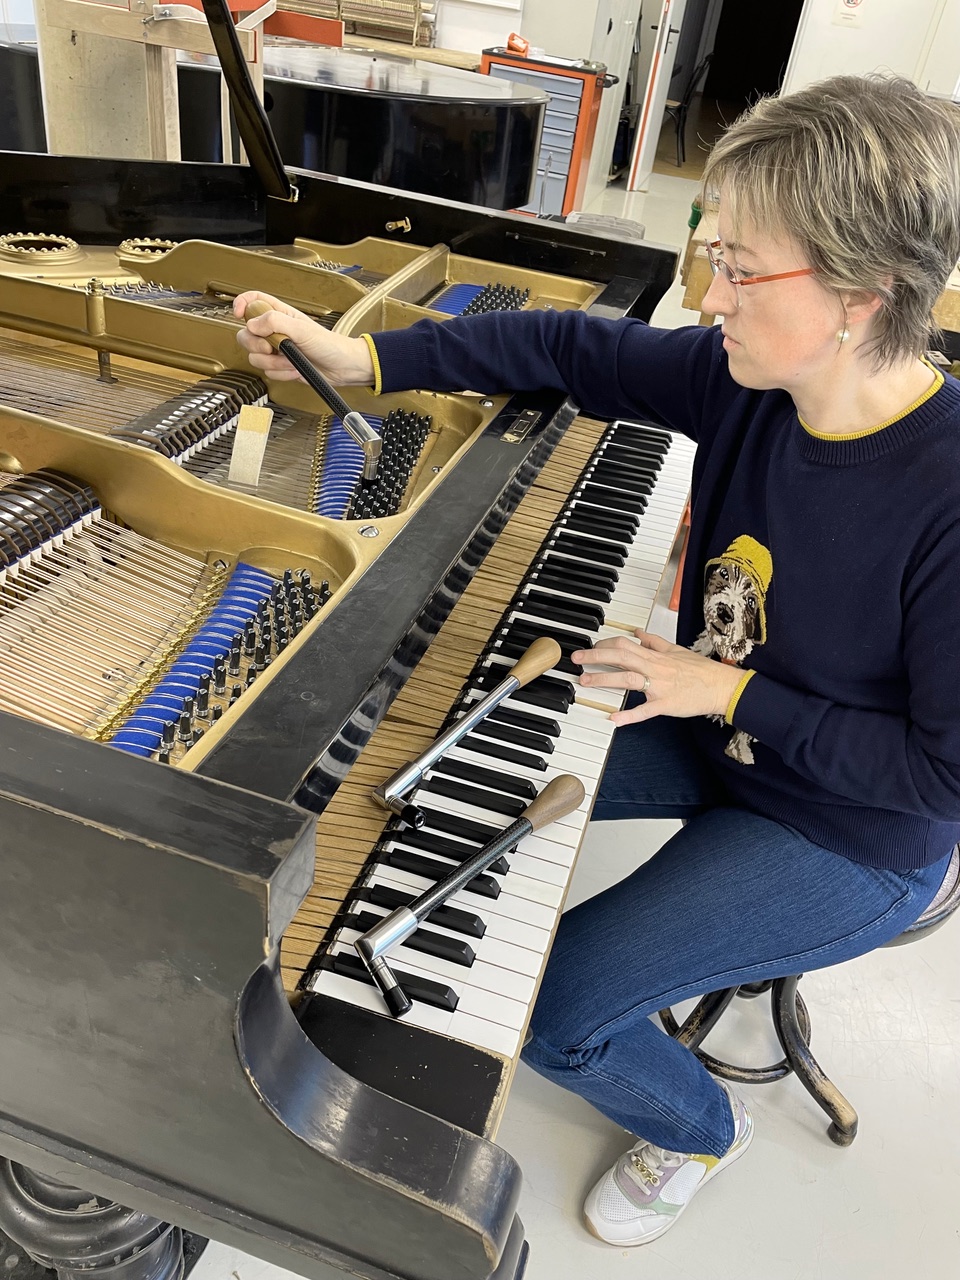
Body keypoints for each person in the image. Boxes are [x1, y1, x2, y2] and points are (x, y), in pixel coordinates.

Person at [236, 74, 960, 1248]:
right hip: (731, 728)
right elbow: (567, 345)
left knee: (561, 1004)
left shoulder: (944, 493)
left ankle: (700, 1132)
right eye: (709, 251)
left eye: (740, 268)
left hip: (855, 827)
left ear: (857, 296)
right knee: (443, 769)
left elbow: (943, 777)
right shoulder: (749, 380)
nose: (708, 295)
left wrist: (723, 686)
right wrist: (362, 360)